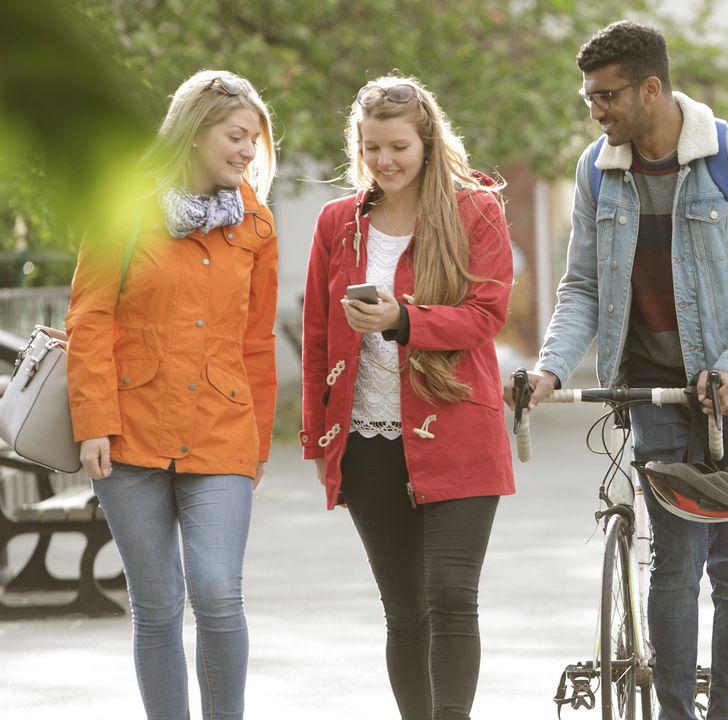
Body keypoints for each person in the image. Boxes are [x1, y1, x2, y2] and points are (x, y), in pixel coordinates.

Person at [506, 21, 728, 719]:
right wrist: (550, 369)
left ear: (651, 88)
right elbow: (581, 287)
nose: (596, 111)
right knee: (674, 562)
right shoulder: (596, 169)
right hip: (655, 392)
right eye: (589, 98)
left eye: (607, 96)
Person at [65, 69, 278, 719]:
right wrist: (93, 420)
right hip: (129, 430)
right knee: (157, 604)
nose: (246, 151)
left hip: (222, 429)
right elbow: (90, 317)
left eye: (254, 141)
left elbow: (258, 341)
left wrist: (259, 442)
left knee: (217, 592)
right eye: (235, 136)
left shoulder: (257, 225)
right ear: (193, 132)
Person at [300, 75, 514, 720]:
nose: (385, 161)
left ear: (427, 141)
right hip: (365, 441)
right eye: (372, 149)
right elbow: (316, 334)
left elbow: (486, 315)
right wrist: (317, 438)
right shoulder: (337, 222)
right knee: (403, 607)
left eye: (398, 147)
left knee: (452, 594)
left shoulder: (477, 210)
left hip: (459, 434)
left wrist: (403, 321)